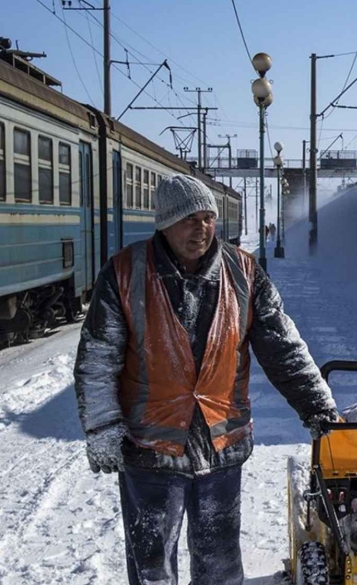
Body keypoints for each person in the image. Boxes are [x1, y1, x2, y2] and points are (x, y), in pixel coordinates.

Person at [74, 174, 339, 585]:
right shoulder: (125, 273)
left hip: (221, 443)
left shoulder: (244, 272)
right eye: (188, 219)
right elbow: (98, 357)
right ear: (164, 224)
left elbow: (282, 346)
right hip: (150, 447)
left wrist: (317, 405)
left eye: (207, 218)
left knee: (219, 564)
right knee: (152, 566)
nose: (200, 229)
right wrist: (103, 427)